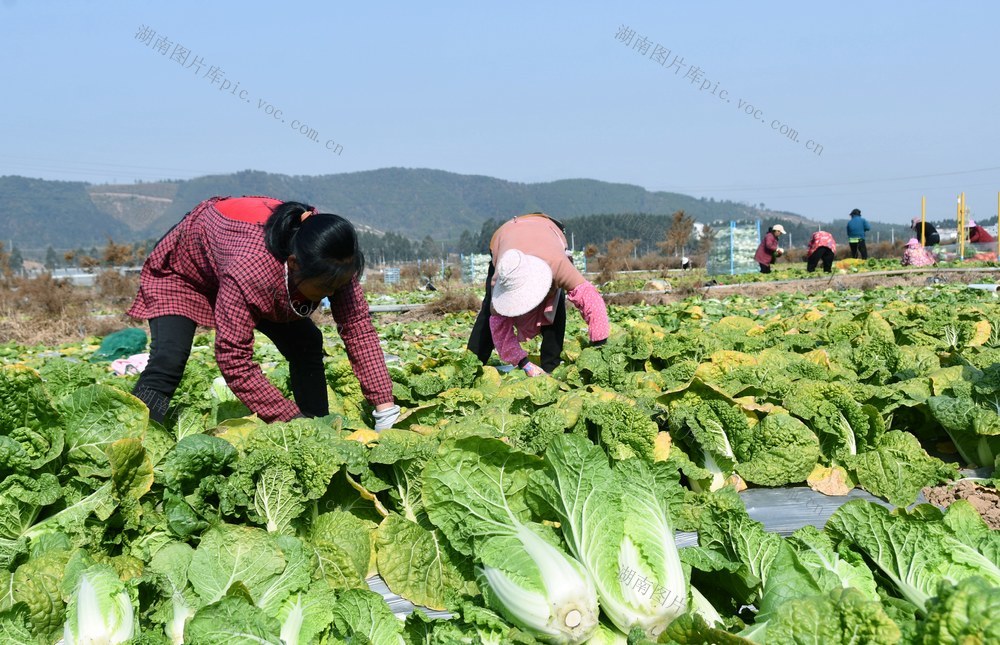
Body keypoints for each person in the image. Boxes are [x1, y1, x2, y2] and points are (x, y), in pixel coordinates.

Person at [127, 195, 400, 430]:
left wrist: (384, 408)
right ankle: (139, 438)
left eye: (338, 286)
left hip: (238, 264)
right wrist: (290, 420)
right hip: (184, 274)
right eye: (325, 288)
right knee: (168, 360)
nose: (332, 294)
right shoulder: (252, 269)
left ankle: (318, 422)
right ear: (293, 264)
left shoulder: (333, 256)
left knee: (306, 343)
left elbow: (358, 328)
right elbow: (234, 361)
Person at [467, 212, 610, 376]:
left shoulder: (557, 264)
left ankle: (551, 365)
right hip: (506, 235)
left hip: (546, 233)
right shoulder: (503, 275)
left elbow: (591, 300)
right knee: (488, 312)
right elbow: (498, 324)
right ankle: (471, 367)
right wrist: (525, 364)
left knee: (555, 303)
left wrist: (599, 348)